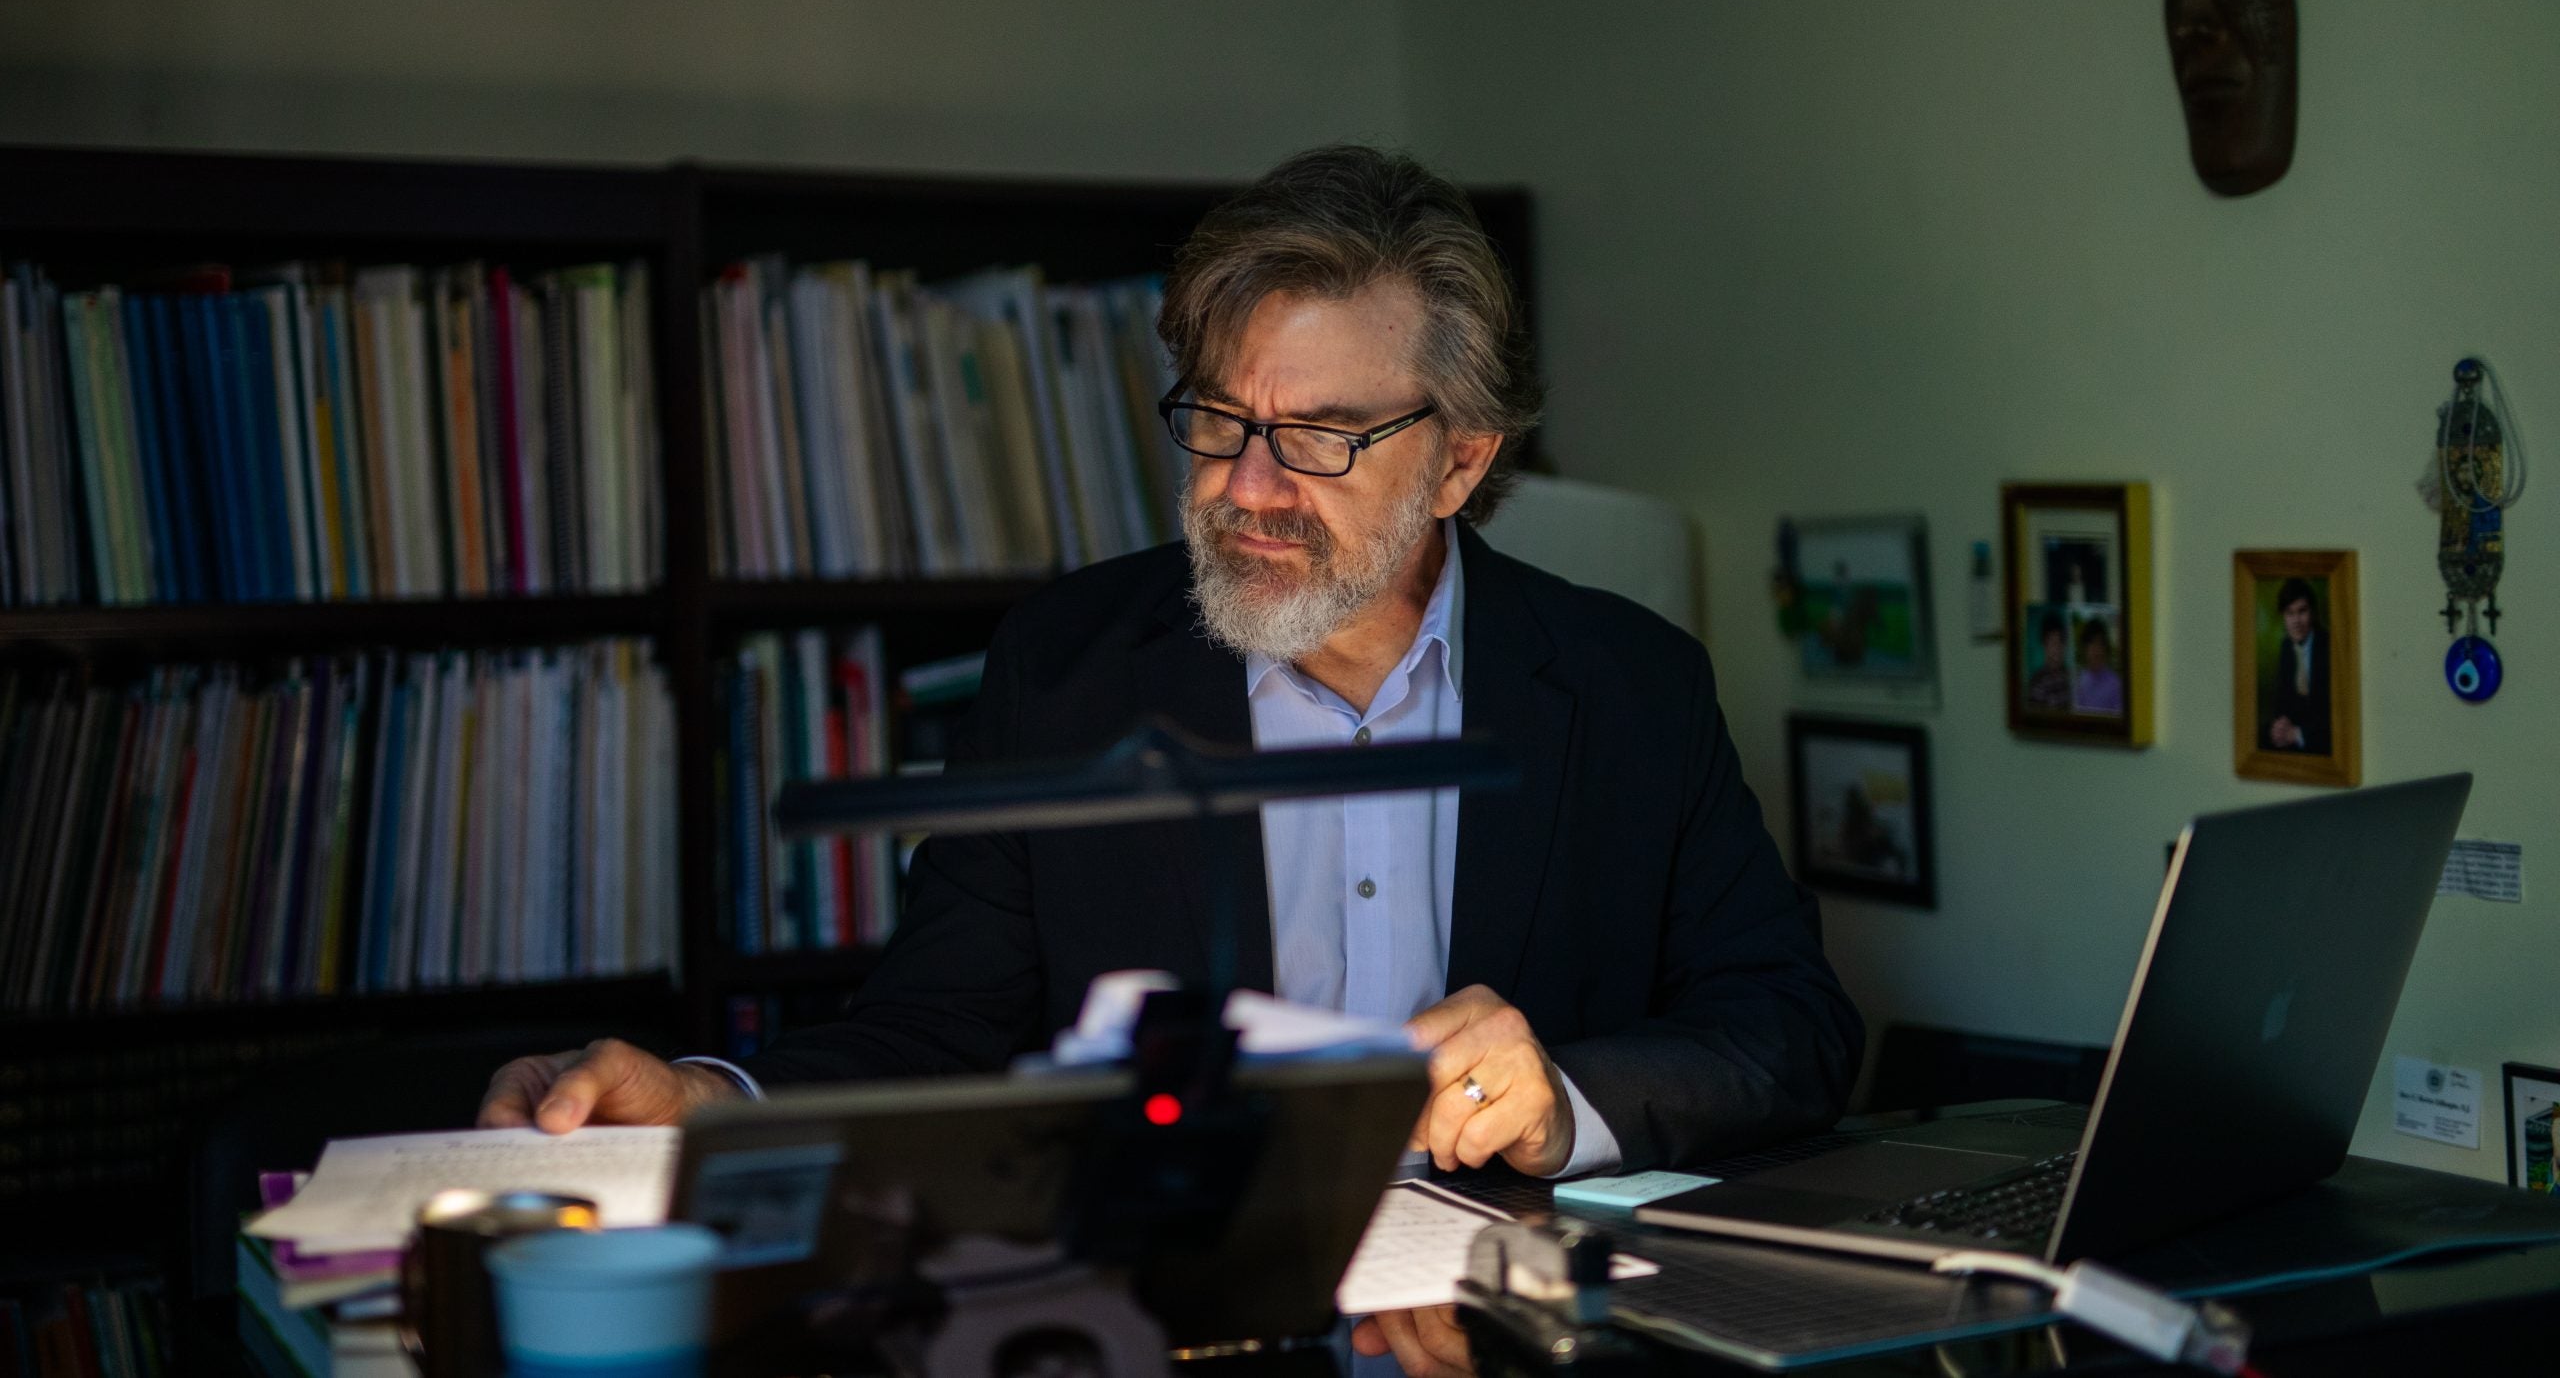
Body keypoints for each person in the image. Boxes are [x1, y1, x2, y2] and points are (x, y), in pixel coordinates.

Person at [479, 145, 1863, 1375]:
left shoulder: (1630, 683)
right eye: (1218, 417)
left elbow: (1788, 1025)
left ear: (1459, 460)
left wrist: (1564, 1094)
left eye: (1322, 435)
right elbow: (937, 1028)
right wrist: (715, 1097)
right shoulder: (1068, 670)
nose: (1246, 486)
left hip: (1497, 1339)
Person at [2262, 577, 2330, 754]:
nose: (2296, 621)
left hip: (2321, 738)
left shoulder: (2329, 646)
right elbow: (2282, 699)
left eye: (2302, 611)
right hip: (2295, 734)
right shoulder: (2286, 646)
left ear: (2313, 612)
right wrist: (2281, 724)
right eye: (2289, 613)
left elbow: (2335, 715)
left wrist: (2299, 734)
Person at [2071, 618, 2125, 715]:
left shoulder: (2115, 684)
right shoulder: (2079, 680)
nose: (2096, 650)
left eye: (2100, 644)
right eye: (2091, 644)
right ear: (2085, 648)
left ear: (2105, 648)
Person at [2025, 612, 2072, 709]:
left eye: (2060, 642)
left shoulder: (2071, 677)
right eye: (2053, 643)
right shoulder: (2037, 683)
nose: (2057, 648)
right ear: (2044, 645)